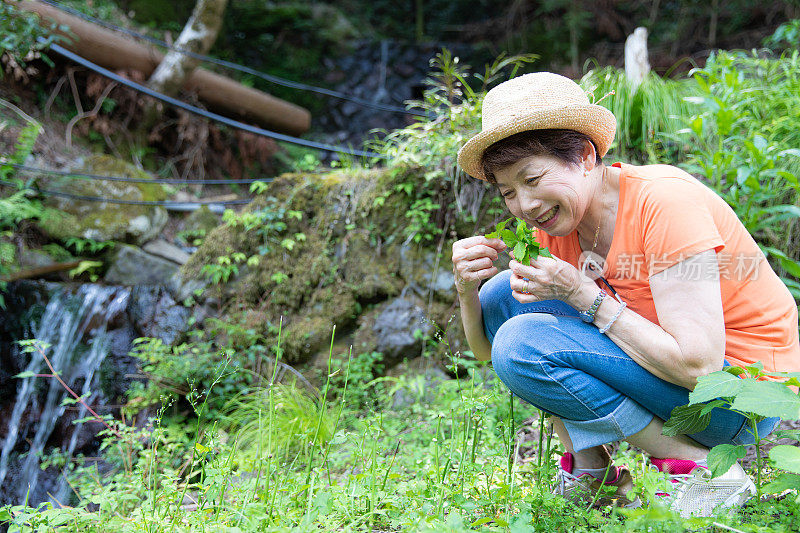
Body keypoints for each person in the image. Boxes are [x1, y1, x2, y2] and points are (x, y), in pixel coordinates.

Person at [451, 72, 800, 517]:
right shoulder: (559, 225)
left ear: (582, 155)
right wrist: (467, 290)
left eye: (532, 178)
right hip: (672, 377)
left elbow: (701, 368)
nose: (524, 204)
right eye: (507, 192)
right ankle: (592, 471)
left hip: (739, 398)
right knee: (502, 295)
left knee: (526, 341)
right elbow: (487, 351)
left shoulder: (665, 202)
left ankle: (697, 467)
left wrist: (584, 296)